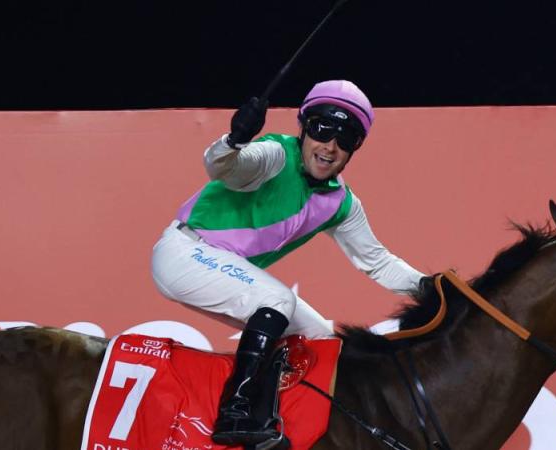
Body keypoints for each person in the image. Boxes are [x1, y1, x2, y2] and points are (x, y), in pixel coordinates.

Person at [150, 80, 425, 446]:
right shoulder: (275, 154)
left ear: (355, 147)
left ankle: (280, 426)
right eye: (322, 129)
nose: (330, 146)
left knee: (321, 340)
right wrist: (234, 140)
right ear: (303, 127)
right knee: (277, 299)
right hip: (183, 253)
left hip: (218, 264)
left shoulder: (342, 204)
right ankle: (235, 414)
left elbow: (377, 263)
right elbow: (224, 169)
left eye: (345, 138)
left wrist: (431, 286)